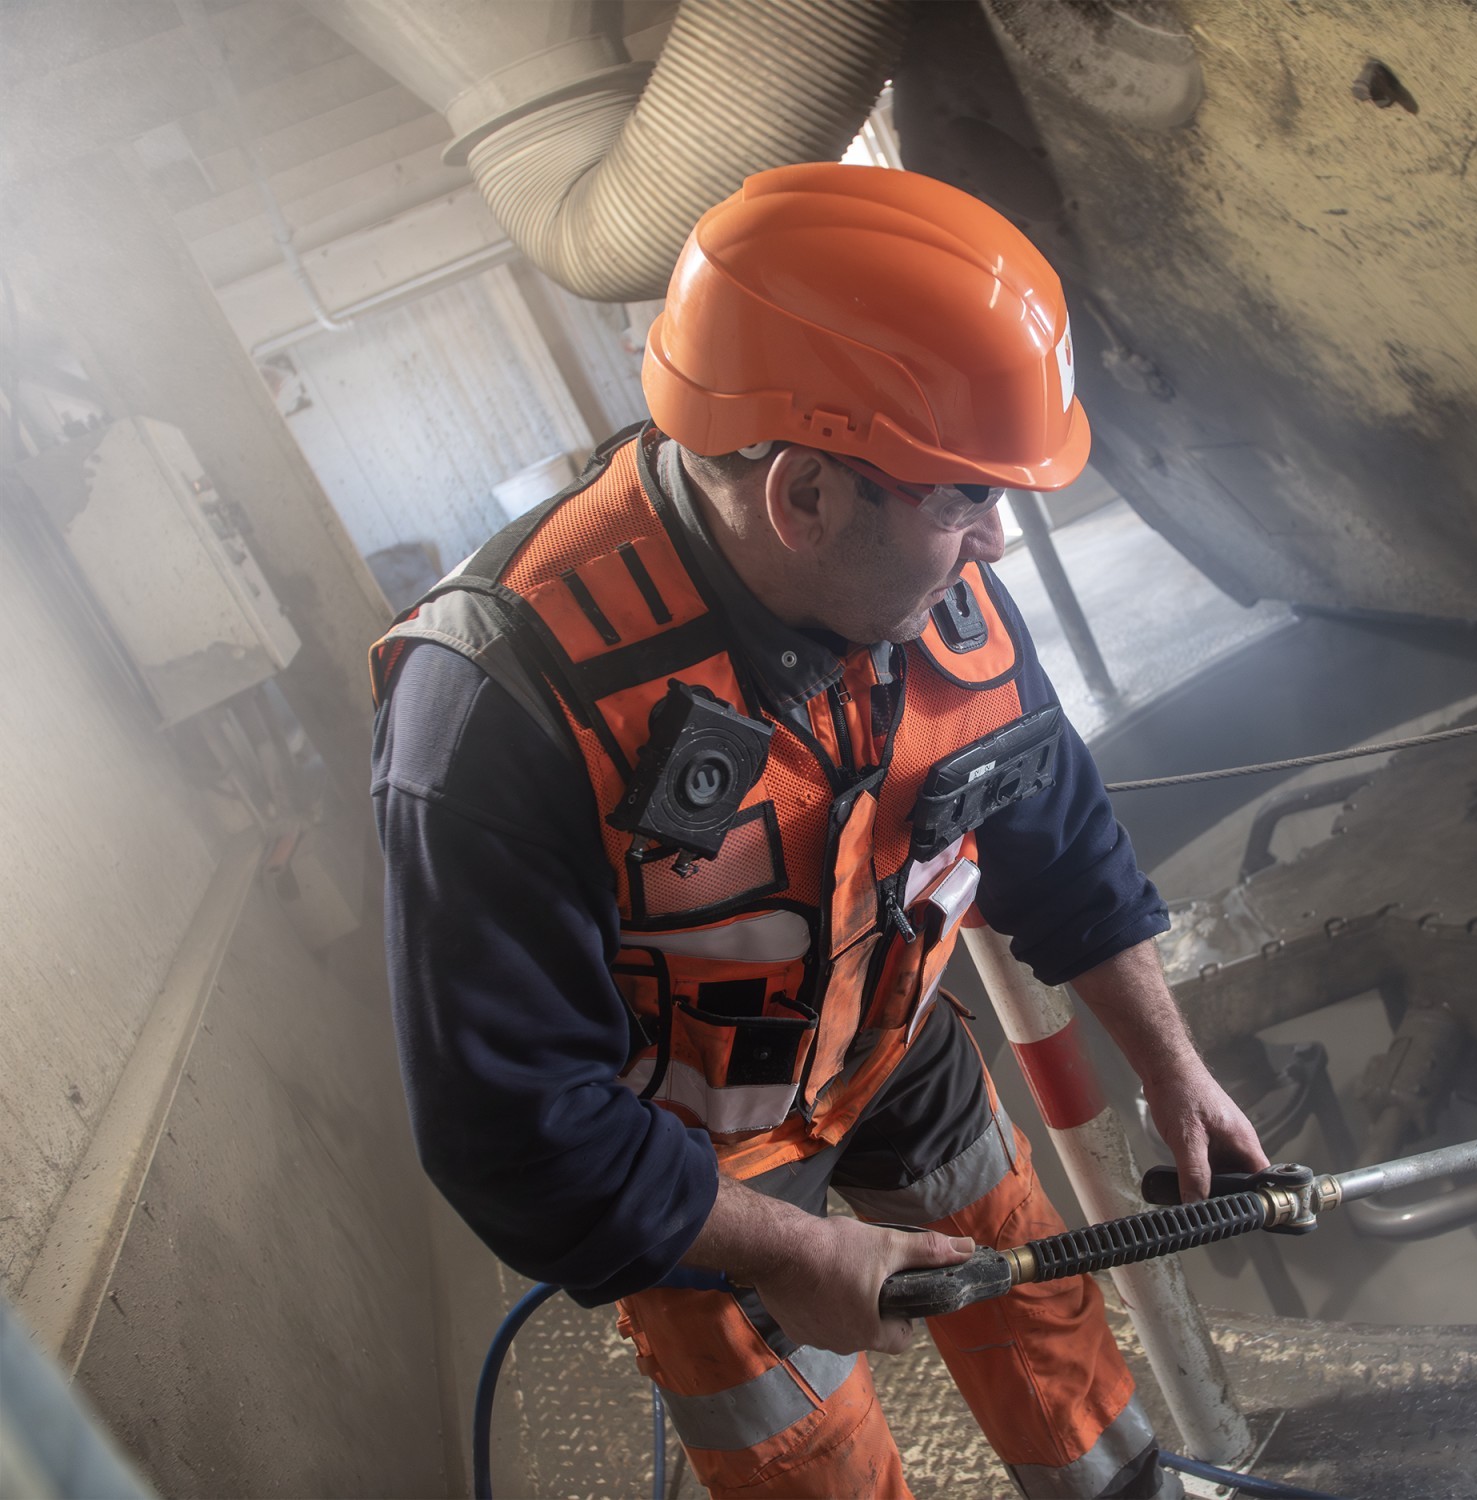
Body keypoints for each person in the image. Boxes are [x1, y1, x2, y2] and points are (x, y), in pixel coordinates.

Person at [370, 162, 1264, 1499]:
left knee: (1038, 1329)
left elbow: (1058, 839)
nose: (999, 546)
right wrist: (785, 1250)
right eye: (967, 500)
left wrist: (1172, 1067)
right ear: (802, 497)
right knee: (807, 1457)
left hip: (891, 1056)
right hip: (684, 1159)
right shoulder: (506, 707)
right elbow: (510, 1124)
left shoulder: (931, 587)